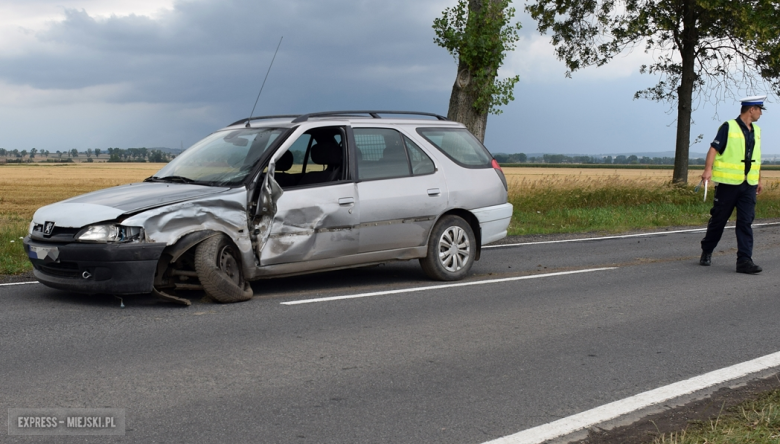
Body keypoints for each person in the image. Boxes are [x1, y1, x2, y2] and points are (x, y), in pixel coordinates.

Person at [699, 95, 765, 273]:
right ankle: (707, 249)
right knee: (719, 220)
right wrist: (707, 170)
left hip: (748, 185)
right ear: (751, 110)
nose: (761, 113)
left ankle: (744, 261)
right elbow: (714, 148)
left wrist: (758, 179)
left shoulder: (757, 131)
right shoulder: (729, 127)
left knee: (745, 222)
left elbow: (755, 158)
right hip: (728, 184)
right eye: (760, 109)